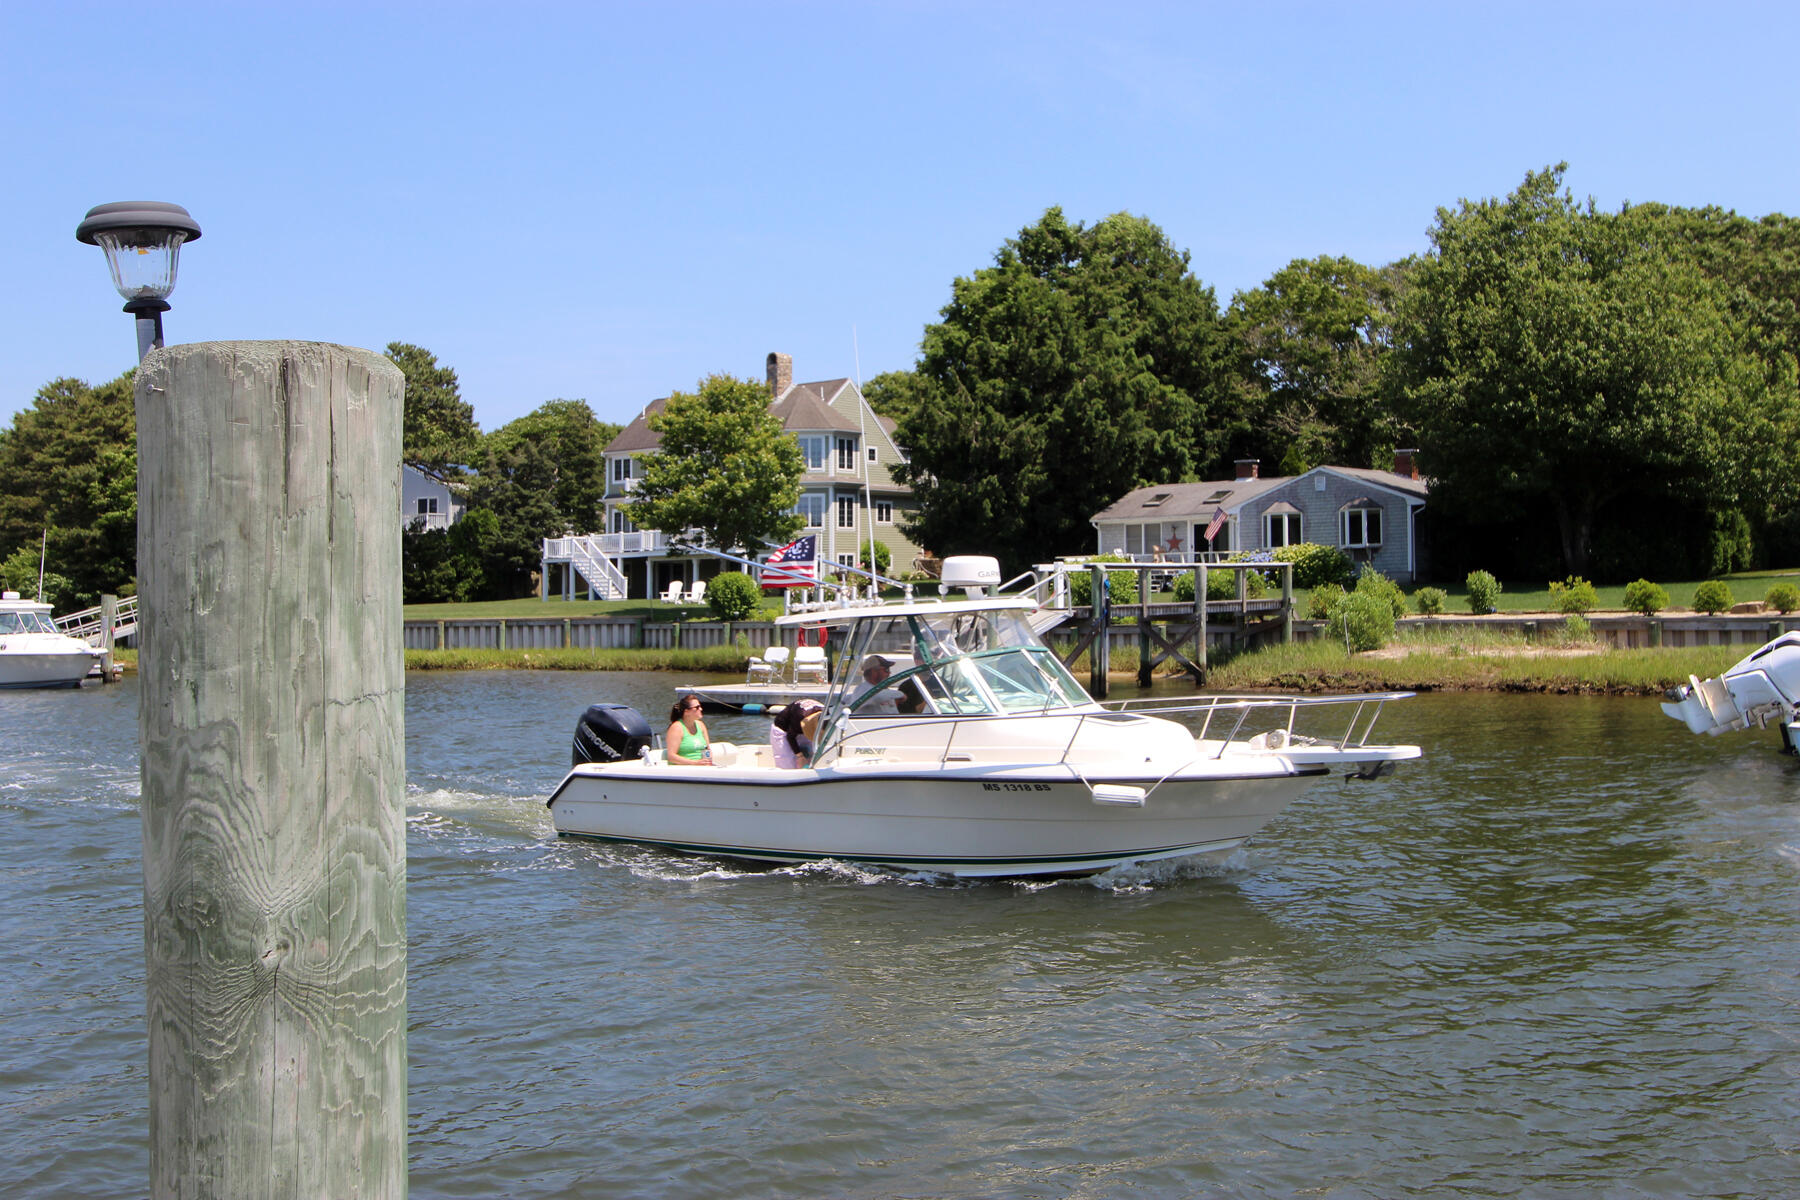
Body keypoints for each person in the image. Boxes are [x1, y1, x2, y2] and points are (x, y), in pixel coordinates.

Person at [770, 699, 822, 768]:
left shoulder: (826, 715)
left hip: (808, 725)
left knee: (809, 757)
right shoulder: (799, 717)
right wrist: (800, 756)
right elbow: (790, 737)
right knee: (788, 764)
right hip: (784, 729)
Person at [665, 694, 714, 765]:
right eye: (697, 707)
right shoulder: (676, 728)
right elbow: (671, 757)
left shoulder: (701, 725)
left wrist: (708, 762)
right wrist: (695, 763)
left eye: (700, 706)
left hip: (701, 767)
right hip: (685, 768)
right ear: (686, 711)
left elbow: (707, 749)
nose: (701, 709)